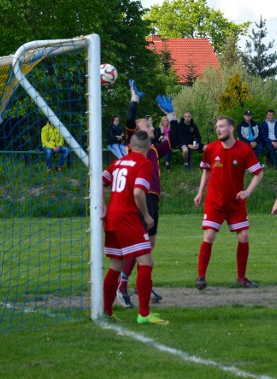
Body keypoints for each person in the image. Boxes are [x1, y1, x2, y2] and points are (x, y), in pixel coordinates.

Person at [115, 80, 177, 308]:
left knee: (148, 246)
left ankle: (144, 285)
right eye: (148, 126)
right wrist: (134, 99)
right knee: (139, 244)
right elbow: (130, 121)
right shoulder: (135, 146)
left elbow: (176, 140)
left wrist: (172, 116)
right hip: (139, 198)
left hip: (153, 200)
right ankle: (122, 288)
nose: (152, 128)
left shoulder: (154, 150)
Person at [101, 129, 168, 325]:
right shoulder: (145, 163)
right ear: (148, 148)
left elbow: (100, 180)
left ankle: (107, 310)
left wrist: (103, 206)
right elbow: (139, 192)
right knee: (146, 261)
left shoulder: (119, 162)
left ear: (129, 146)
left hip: (112, 217)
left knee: (116, 264)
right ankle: (144, 314)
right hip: (128, 218)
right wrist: (146, 216)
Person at [193, 116, 264, 290]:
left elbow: (258, 173)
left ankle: (241, 278)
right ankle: (201, 278)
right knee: (209, 236)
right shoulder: (210, 148)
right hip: (215, 202)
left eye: (222, 126)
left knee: (243, 236)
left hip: (235, 203)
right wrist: (200, 192)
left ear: (231, 128)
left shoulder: (244, 149)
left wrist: (248, 191)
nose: (218, 129)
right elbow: (206, 171)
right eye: (217, 126)